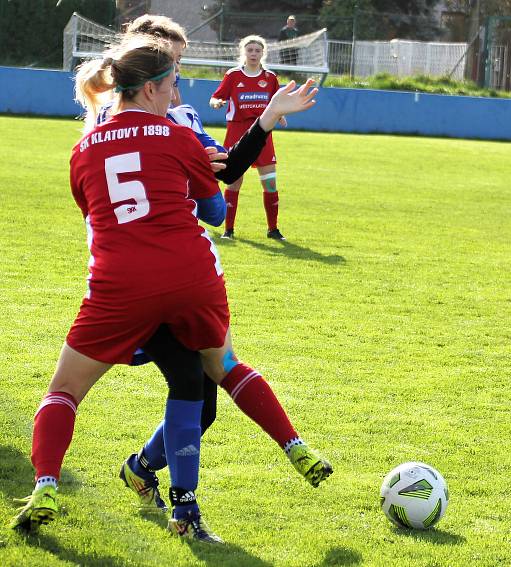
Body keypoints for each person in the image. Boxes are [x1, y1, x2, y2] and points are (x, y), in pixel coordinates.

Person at [11, 35, 321, 542]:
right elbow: (215, 206)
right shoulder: (177, 136)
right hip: (190, 278)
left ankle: (45, 484)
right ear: (153, 88)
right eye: (173, 81)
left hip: (119, 286)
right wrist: (262, 123)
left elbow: (94, 216)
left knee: (65, 392)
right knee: (215, 370)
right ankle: (234, 479)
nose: (177, 92)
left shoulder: (83, 148)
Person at [88, 15, 333, 518]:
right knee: (196, 384)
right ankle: (184, 506)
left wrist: (264, 120)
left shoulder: (163, 120)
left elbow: (224, 174)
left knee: (203, 399)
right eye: (172, 65)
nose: (177, 79)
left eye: (180, 64)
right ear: (147, 70)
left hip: (172, 272)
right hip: (149, 275)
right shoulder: (136, 125)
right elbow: (214, 205)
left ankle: (142, 470)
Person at [210, 35, 286, 241]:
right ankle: (229, 230)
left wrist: (280, 115)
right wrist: (216, 102)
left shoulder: (270, 78)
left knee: (270, 183)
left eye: (257, 50)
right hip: (236, 132)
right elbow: (216, 96)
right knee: (233, 182)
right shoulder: (233, 75)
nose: (253, 54)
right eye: (250, 50)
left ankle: (273, 229)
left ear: (263, 53)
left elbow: (276, 102)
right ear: (243, 52)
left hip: (262, 132)